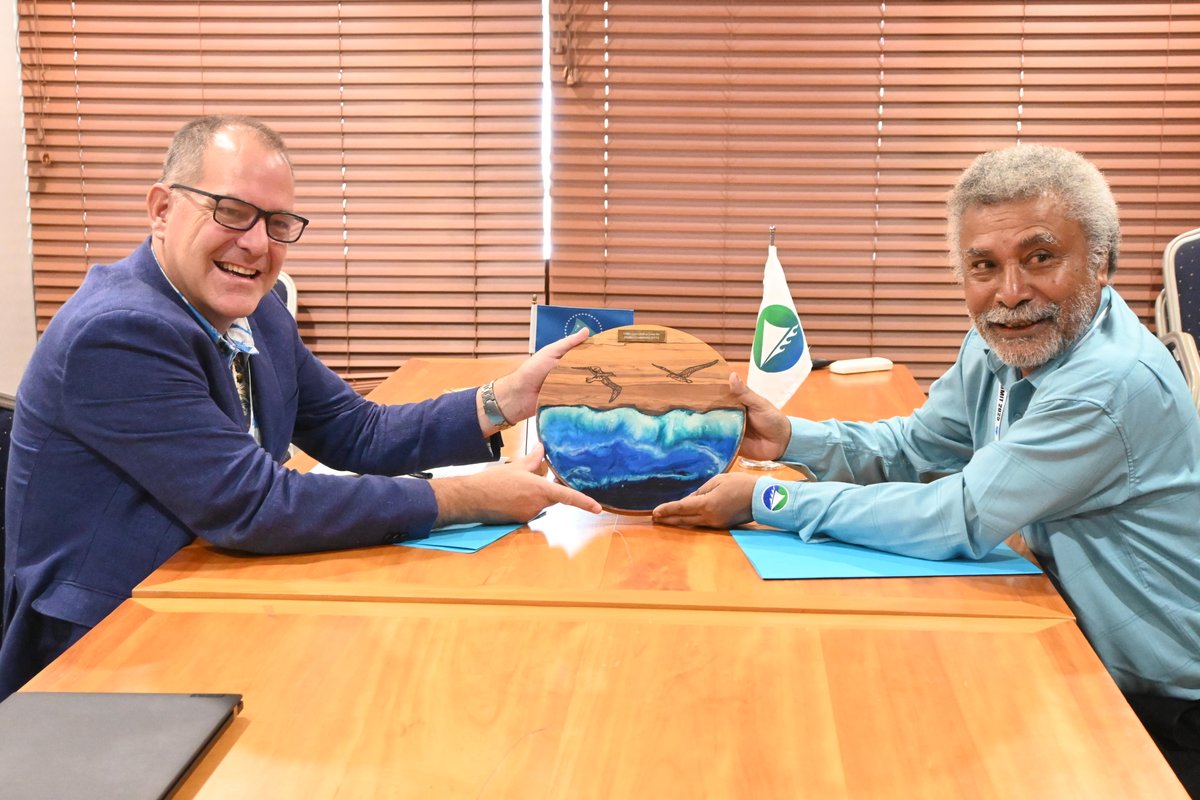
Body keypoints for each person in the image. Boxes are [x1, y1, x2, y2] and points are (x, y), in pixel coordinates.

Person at [653, 144, 1200, 793]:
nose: (1011, 292)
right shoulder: (999, 340)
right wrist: (789, 438)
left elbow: (962, 515)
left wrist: (764, 502)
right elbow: (916, 445)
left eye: (1041, 257)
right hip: (1066, 636)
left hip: (1159, 705)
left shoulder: (1107, 385)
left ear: (1102, 262)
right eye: (983, 266)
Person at [0, 115, 600, 699]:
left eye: (277, 222)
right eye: (231, 211)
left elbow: (355, 430)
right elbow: (254, 504)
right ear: (162, 209)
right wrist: (471, 498)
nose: (257, 243)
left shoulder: (255, 310)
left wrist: (507, 398)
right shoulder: (120, 332)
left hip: (218, 592)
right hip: (109, 649)